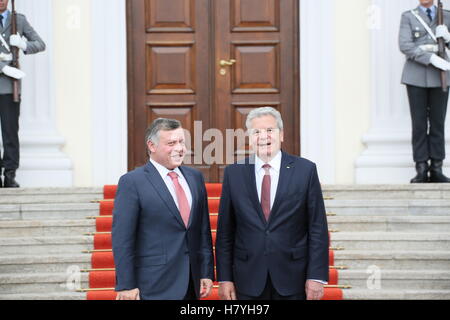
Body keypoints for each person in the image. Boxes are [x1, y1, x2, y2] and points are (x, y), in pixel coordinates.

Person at [215, 107, 329, 300]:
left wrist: (316, 276)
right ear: (249, 138)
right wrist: (225, 278)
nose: (263, 136)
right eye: (256, 132)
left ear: (281, 135)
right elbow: (225, 232)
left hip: (293, 277)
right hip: (247, 279)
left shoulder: (305, 170)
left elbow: (317, 227)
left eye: (269, 130)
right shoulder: (234, 173)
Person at [112, 118, 214, 300]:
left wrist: (206, 271)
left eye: (181, 142)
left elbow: (202, 231)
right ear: (152, 146)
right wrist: (126, 284)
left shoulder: (195, 178)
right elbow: (123, 239)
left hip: (191, 283)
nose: (180, 148)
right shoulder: (132, 182)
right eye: (171, 143)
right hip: (153, 285)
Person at [399, 0, 450, 183]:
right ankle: (421, 167)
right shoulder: (408, 16)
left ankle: (437, 167)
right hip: (416, 76)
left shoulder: (446, 16)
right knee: (419, 123)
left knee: (438, 123)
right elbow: (405, 45)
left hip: (440, 77)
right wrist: (431, 58)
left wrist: (448, 38)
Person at [0, 0, 45, 188]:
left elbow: (40, 44)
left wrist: (23, 44)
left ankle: (10, 174)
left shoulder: (18, 20)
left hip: (10, 87)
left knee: (10, 131)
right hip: (7, 75)